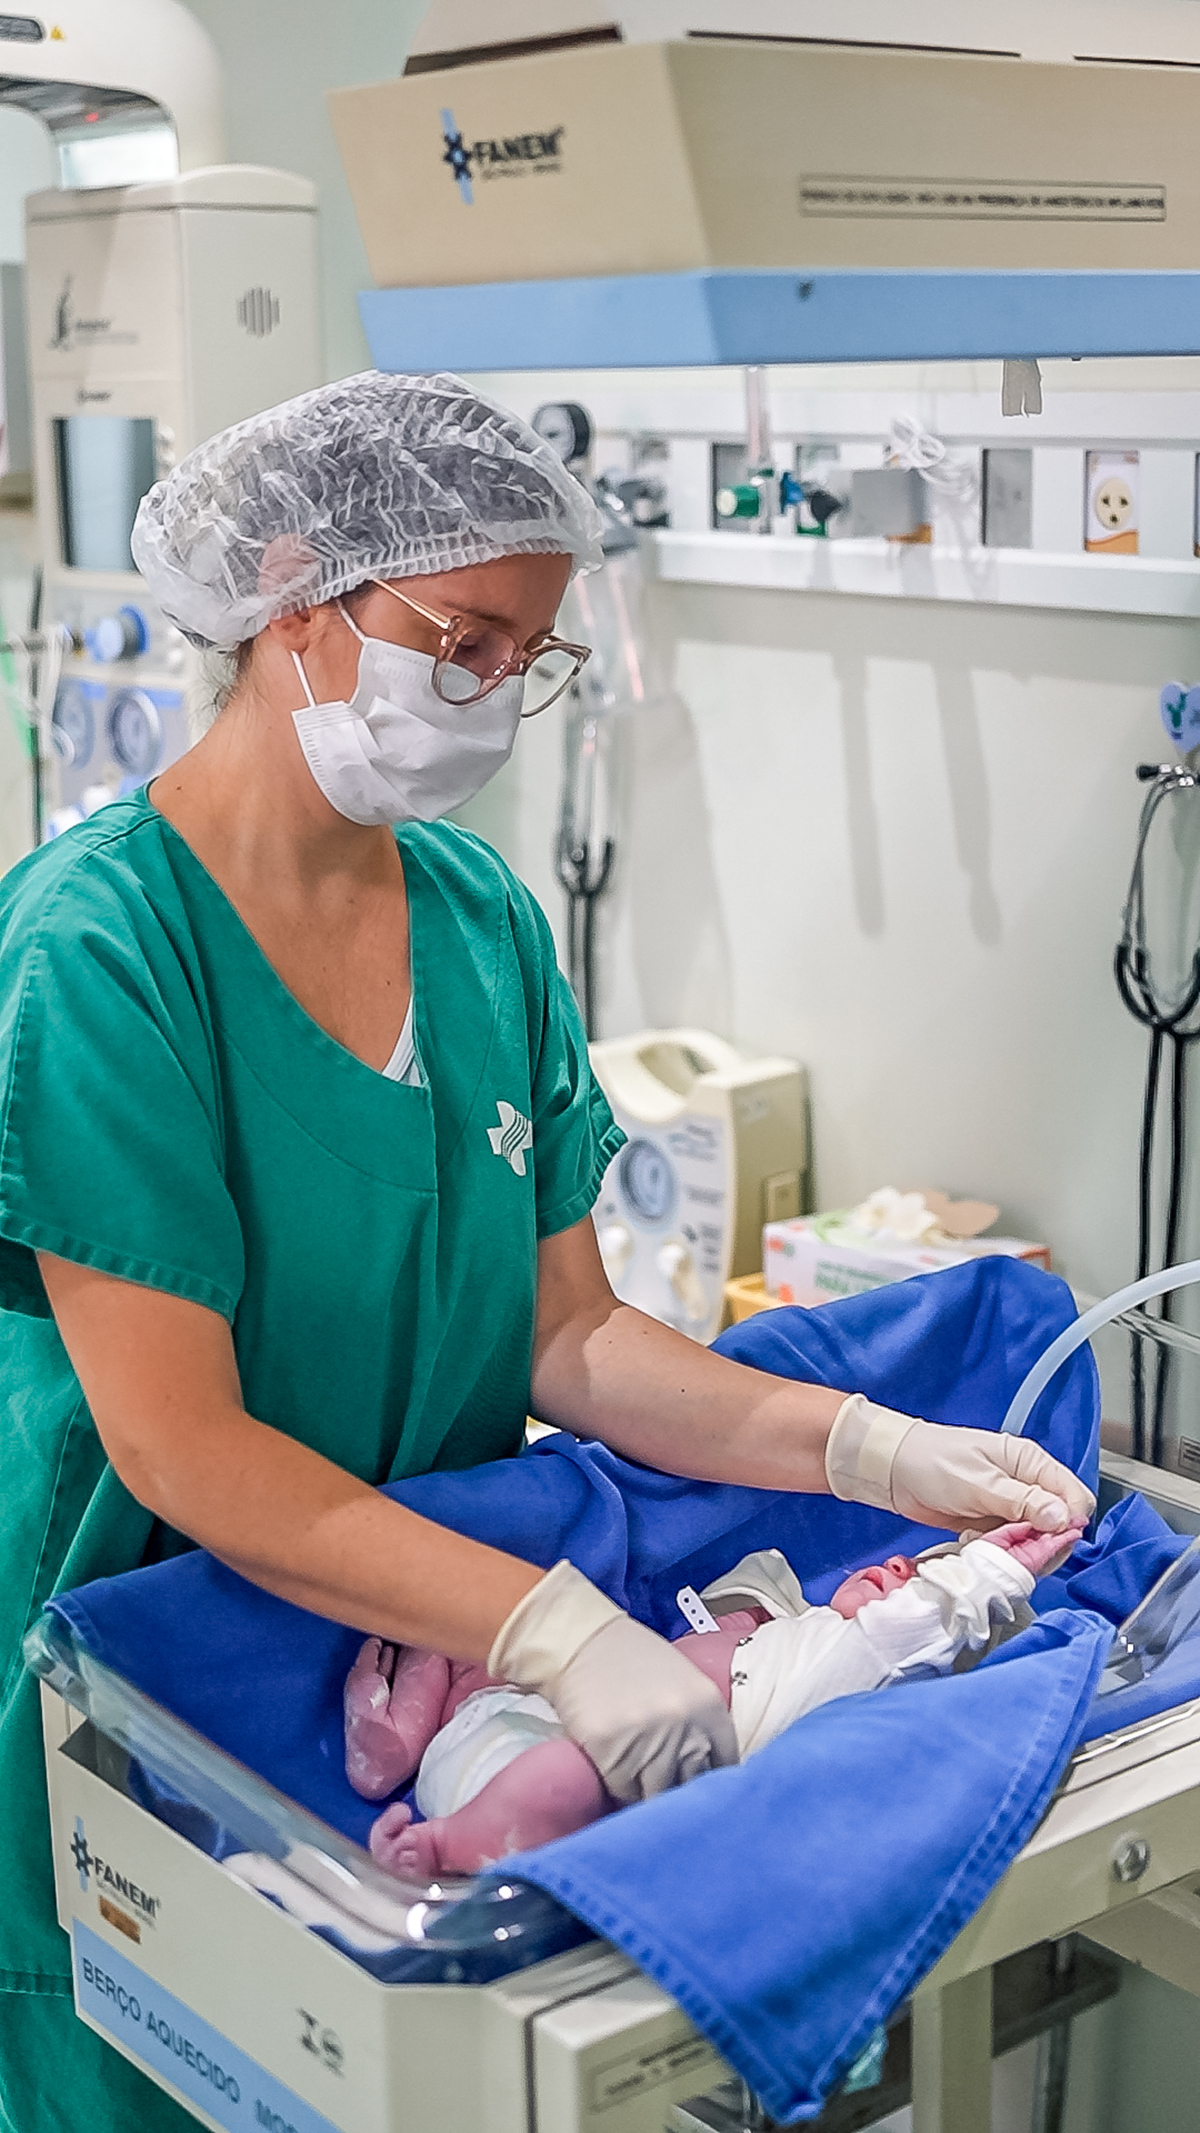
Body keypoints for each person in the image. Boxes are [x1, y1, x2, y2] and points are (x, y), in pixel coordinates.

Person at [0, 370, 1093, 2133]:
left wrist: (869, 1450)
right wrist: (549, 1625)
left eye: (532, 654)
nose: (498, 693)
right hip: (156, 1671)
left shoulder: (480, 918)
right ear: (292, 595)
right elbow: (180, 1445)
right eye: (466, 642)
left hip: (410, 1655)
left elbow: (568, 1334)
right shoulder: (102, 950)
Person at [360, 1521, 1082, 1878]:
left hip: (580, 1780)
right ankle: (399, 1737)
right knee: (474, 1645)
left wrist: (995, 1569)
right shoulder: (794, 1627)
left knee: (554, 1774)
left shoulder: (857, 1663)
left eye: (921, 1575)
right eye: (910, 1559)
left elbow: (918, 1629)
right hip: (537, 1718)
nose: (900, 1561)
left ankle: (443, 1842)